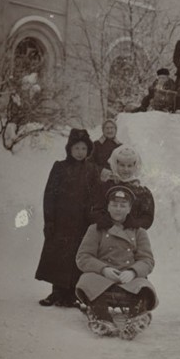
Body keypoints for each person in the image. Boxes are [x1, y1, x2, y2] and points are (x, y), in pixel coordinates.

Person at [75, 185, 158, 338]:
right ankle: (103, 320)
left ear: (129, 208)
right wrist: (103, 269)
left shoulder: (139, 232)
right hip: (102, 278)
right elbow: (83, 257)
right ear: (108, 206)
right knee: (87, 281)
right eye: (114, 205)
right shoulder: (95, 229)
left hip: (128, 279)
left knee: (145, 288)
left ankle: (136, 320)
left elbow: (147, 260)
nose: (118, 209)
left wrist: (133, 272)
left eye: (123, 205)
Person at [35, 128, 98, 307]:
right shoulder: (60, 167)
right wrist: (49, 221)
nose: (80, 152)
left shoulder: (92, 170)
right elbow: (49, 196)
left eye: (84, 149)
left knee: (78, 256)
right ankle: (56, 293)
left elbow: (96, 196)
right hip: (61, 222)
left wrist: (93, 219)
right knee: (58, 256)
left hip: (82, 223)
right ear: (69, 149)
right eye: (76, 148)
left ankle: (73, 294)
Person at [93, 144, 155, 230]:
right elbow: (96, 211)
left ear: (135, 166)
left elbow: (147, 218)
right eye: (122, 165)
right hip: (107, 233)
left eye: (129, 166)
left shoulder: (142, 192)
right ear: (116, 165)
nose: (126, 169)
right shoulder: (106, 186)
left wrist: (132, 224)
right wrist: (109, 224)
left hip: (132, 234)